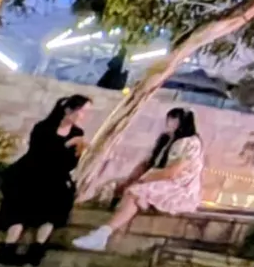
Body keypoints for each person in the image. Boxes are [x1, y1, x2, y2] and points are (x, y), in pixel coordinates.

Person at [73, 107, 202, 252]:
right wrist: (130, 180)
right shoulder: (165, 139)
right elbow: (146, 163)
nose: (171, 123)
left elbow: (173, 172)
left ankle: (102, 234)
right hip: (157, 179)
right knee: (113, 186)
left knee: (135, 192)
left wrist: (143, 180)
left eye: (175, 120)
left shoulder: (189, 142)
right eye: (170, 119)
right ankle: (99, 229)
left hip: (178, 185)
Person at [0, 95, 90, 263]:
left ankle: (38, 248)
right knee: (21, 203)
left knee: (58, 200)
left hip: (55, 175)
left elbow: (69, 163)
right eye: (81, 111)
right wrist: (66, 145)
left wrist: (77, 152)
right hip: (30, 172)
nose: (83, 116)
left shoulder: (77, 133)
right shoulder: (43, 128)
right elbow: (39, 153)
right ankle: (8, 248)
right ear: (68, 110)